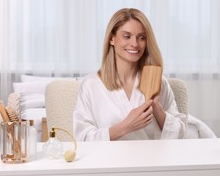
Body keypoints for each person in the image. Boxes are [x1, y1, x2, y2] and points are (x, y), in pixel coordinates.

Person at [73, 8, 187, 141]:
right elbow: (82, 138)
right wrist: (126, 126)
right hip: (109, 161)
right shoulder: (91, 85)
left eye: (141, 37)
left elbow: (181, 135)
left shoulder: (158, 83)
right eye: (127, 36)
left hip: (152, 160)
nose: (135, 44)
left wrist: (157, 108)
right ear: (112, 39)